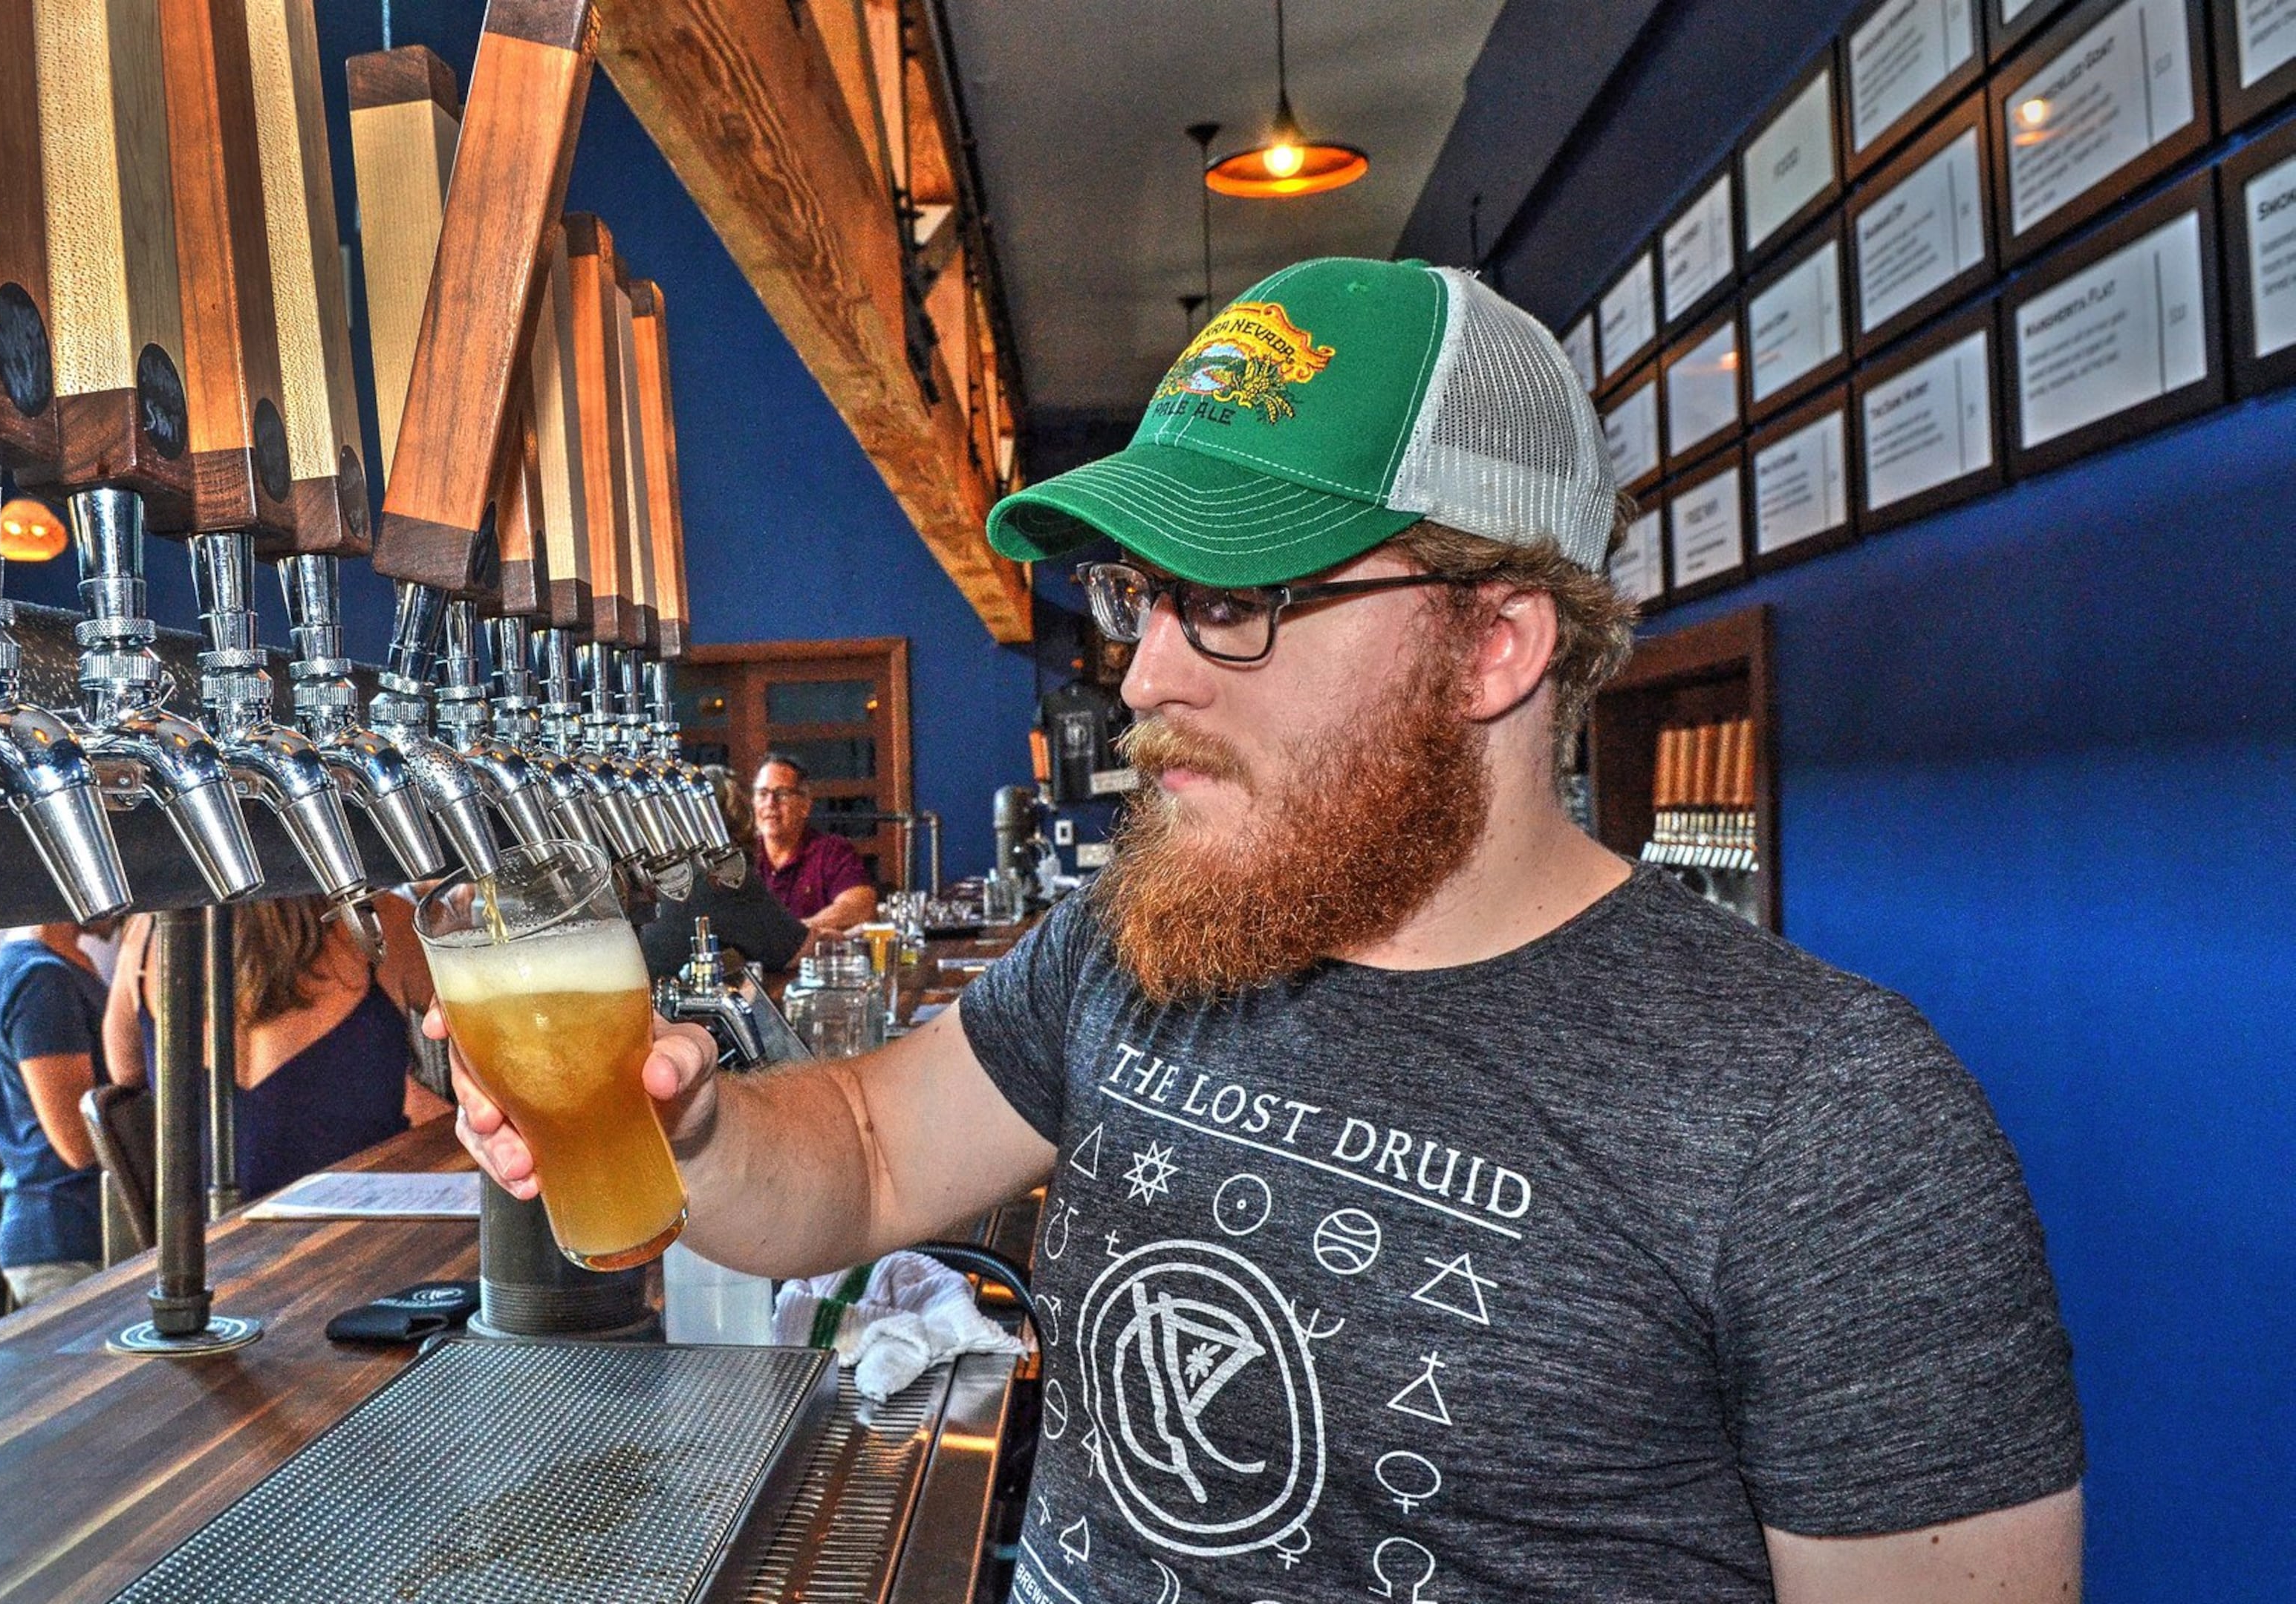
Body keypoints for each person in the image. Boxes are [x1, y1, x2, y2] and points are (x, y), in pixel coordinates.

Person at [447, 260, 2083, 1601]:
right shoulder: (1136, 944)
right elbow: (871, 1155)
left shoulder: (1828, 1122)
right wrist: (700, 1122)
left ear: (1496, 643)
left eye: (1231, 600)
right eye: (1140, 600)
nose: (1146, 676)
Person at [105, 893, 447, 1199]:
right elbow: (485, 1029)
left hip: (210, 1249)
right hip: (370, 1237)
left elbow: (124, 1072)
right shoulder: (377, 921)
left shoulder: (148, 936)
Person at [0, 920, 115, 1305]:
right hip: (65, 1234)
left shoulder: (64, 963)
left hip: (80, 1229)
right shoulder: (41, 977)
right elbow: (78, 1142)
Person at [640, 765, 809, 979]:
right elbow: (795, 952)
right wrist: (839, 938)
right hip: (661, 1009)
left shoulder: (659, 867)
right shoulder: (724, 874)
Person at [751, 754, 876, 934]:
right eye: (762, 794)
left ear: (805, 806)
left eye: (782, 794)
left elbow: (861, 908)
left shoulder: (832, 852)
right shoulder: (741, 857)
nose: (770, 803)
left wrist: (791, 935)